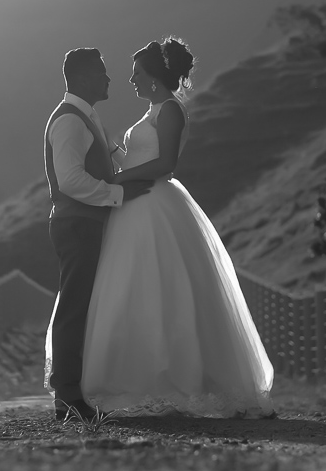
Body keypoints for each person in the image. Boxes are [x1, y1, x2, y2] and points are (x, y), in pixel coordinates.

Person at [81, 37, 275, 417]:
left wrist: (118, 181)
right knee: (131, 285)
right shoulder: (154, 109)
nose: (131, 80)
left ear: (153, 77)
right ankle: (133, 381)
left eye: (137, 74)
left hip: (155, 202)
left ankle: (175, 382)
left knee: (162, 285)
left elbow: (166, 163)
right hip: (135, 204)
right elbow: (141, 155)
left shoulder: (169, 110)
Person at [42, 47, 153, 422]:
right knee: (75, 307)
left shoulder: (86, 117)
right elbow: (70, 179)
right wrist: (118, 194)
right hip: (76, 224)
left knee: (85, 305)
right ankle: (67, 395)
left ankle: (76, 391)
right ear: (82, 77)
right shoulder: (69, 121)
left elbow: (110, 157)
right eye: (102, 73)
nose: (108, 79)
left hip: (87, 222)